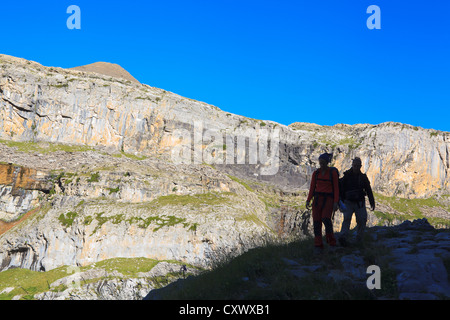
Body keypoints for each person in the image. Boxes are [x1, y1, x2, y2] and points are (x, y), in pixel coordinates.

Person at [338, 157, 375, 247]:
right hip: (348, 202)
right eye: (355, 165)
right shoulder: (346, 176)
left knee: (362, 220)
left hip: (359, 203)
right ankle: (343, 237)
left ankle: (359, 239)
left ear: (360, 166)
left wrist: (372, 202)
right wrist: (340, 202)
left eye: (358, 166)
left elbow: (369, 190)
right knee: (347, 219)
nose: (356, 167)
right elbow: (341, 190)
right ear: (352, 165)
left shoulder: (363, 178)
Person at [306, 153, 339, 250]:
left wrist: (335, 202)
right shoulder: (316, 173)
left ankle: (331, 242)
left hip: (328, 199)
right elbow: (312, 188)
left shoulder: (332, 173)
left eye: (323, 163)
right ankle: (318, 244)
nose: (322, 165)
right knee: (316, 221)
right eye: (320, 163)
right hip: (317, 200)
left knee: (326, 219)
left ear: (327, 163)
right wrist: (308, 200)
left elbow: (336, 188)